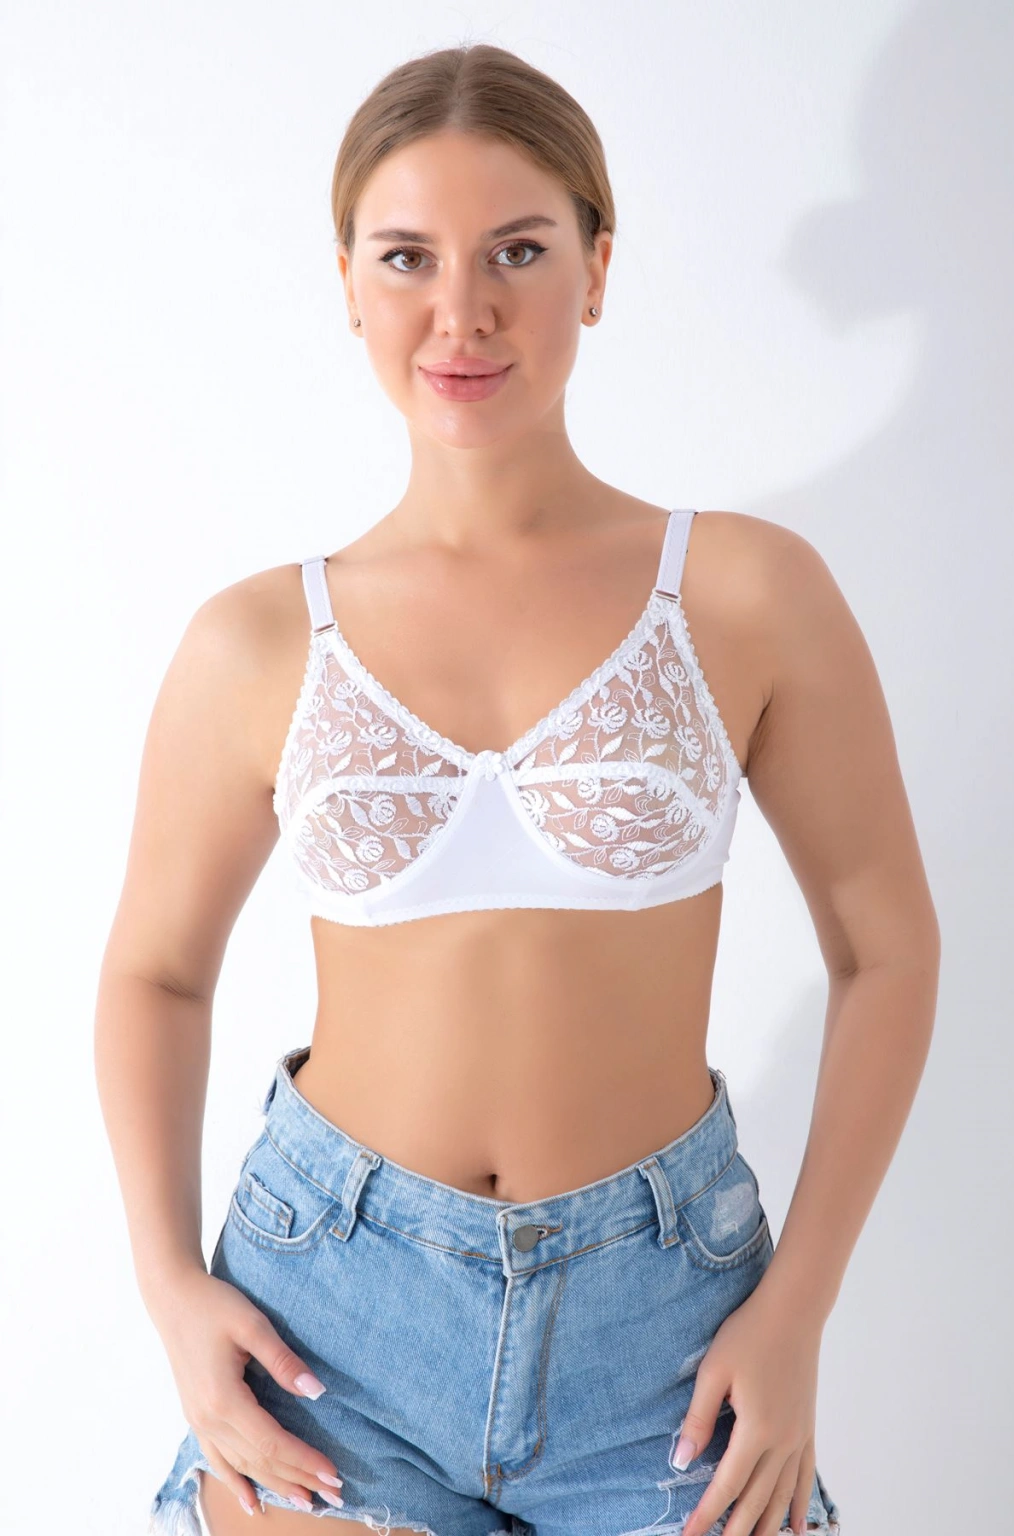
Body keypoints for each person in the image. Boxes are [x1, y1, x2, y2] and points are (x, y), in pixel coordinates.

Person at [95, 42, 940, 1536]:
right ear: (347, 284)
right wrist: (169, 1290)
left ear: (598, 269)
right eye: (407, 256)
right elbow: (155, 973)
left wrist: (800, 1309)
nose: (462, 312)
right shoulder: (257, 640)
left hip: (667, 1330)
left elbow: (887, 951)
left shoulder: (745, 593)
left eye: (519, 251)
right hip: (327, 1320)